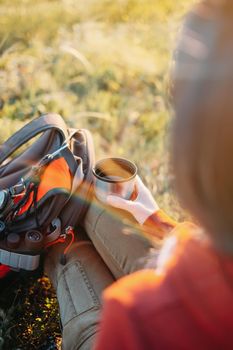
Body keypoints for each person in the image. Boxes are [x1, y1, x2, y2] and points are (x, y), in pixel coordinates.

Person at [45, 1, 233, 349]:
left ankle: (55, 246)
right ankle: (63, 222)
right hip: (196, 275)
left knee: (70, 252)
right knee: (90, 200)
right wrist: (159, 224)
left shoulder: (136, 320)